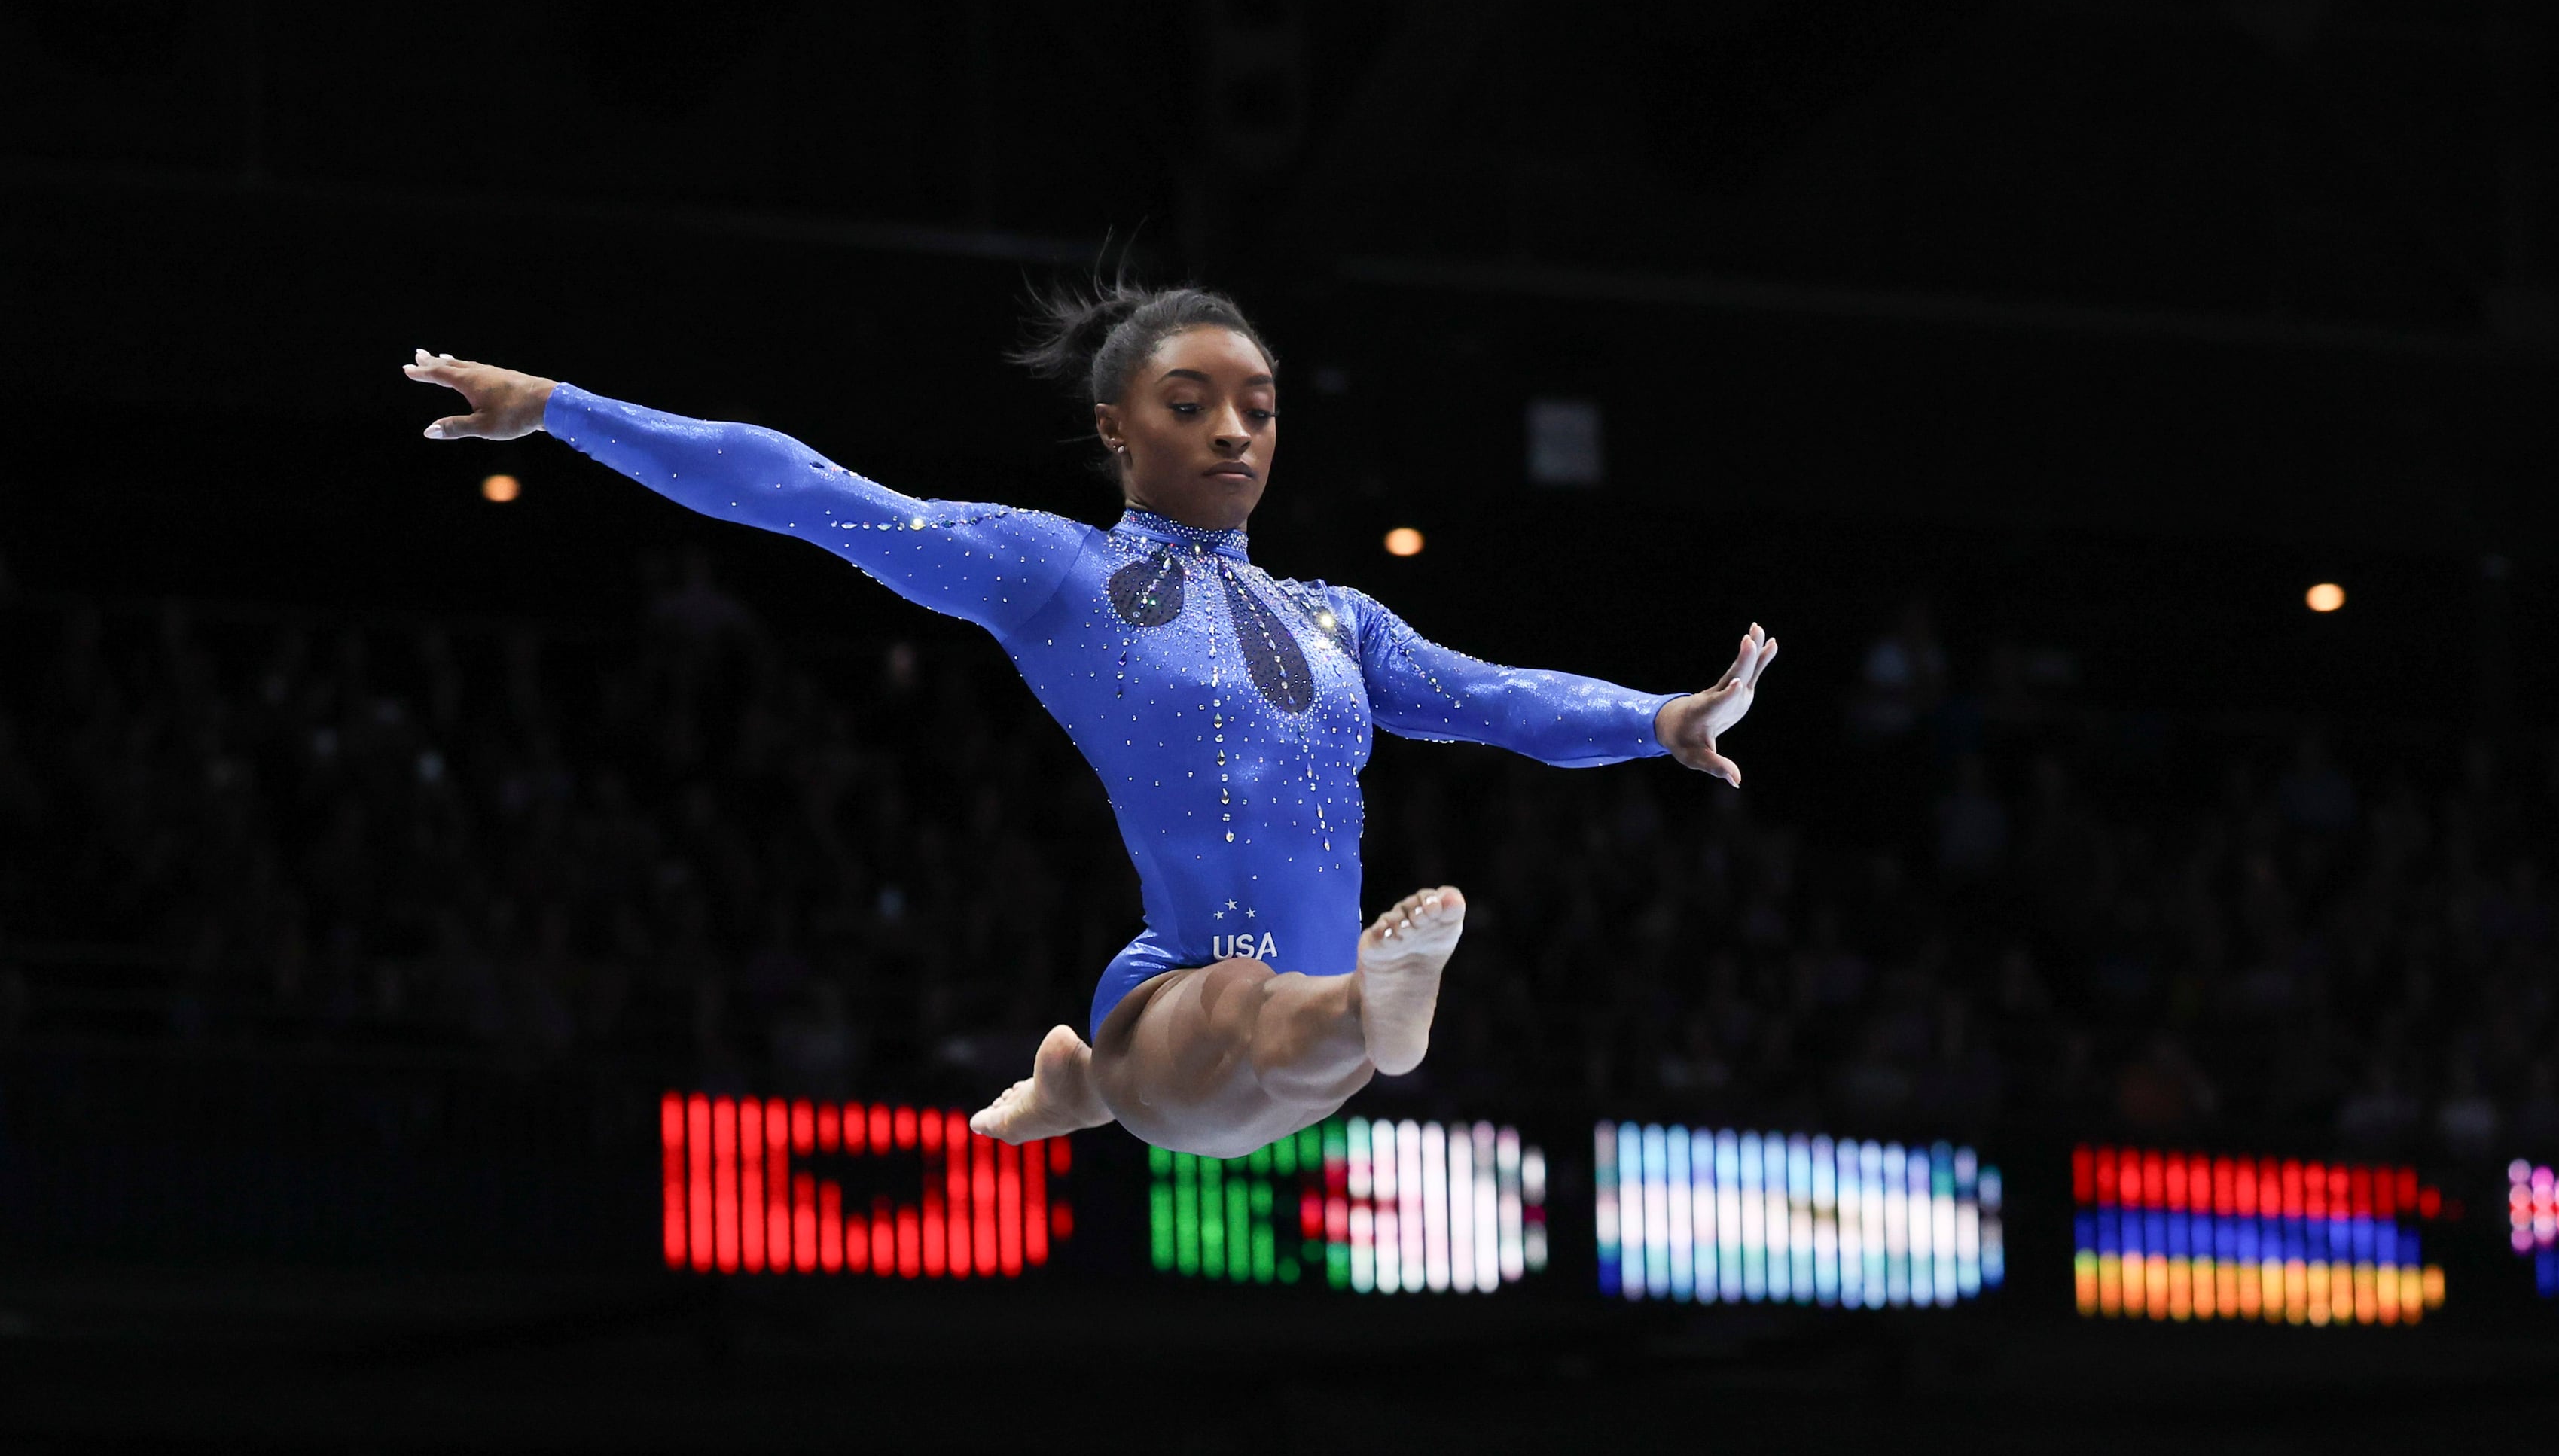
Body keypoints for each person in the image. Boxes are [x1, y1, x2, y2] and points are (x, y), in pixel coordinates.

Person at [401, 280, 1774, 1153]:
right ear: (1119, 427)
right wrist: (562, 412)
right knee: (1258, 1005)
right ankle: (1301, 1025)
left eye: (1259, 407)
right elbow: (805, 491)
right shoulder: (1057, 571)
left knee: (1296, 1022)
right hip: (1188, 1000)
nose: (1236, 431)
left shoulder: (1340, 621)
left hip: (1261, 1036)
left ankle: (1143, 1066)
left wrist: (1658, 718)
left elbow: (1494, 697)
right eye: (1194, 405)